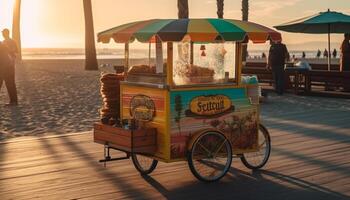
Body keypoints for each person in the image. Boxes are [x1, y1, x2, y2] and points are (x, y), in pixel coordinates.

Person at [0, 29, 18, 105]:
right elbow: (15, 53)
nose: (2, 34)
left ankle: (13, 101)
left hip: (5, 66)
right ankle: (14, 101)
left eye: (3, 33)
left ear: (4, 34)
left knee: (7, 83)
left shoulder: (4, 43)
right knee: (11, 84)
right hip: (10, 65)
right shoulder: (12, 41)